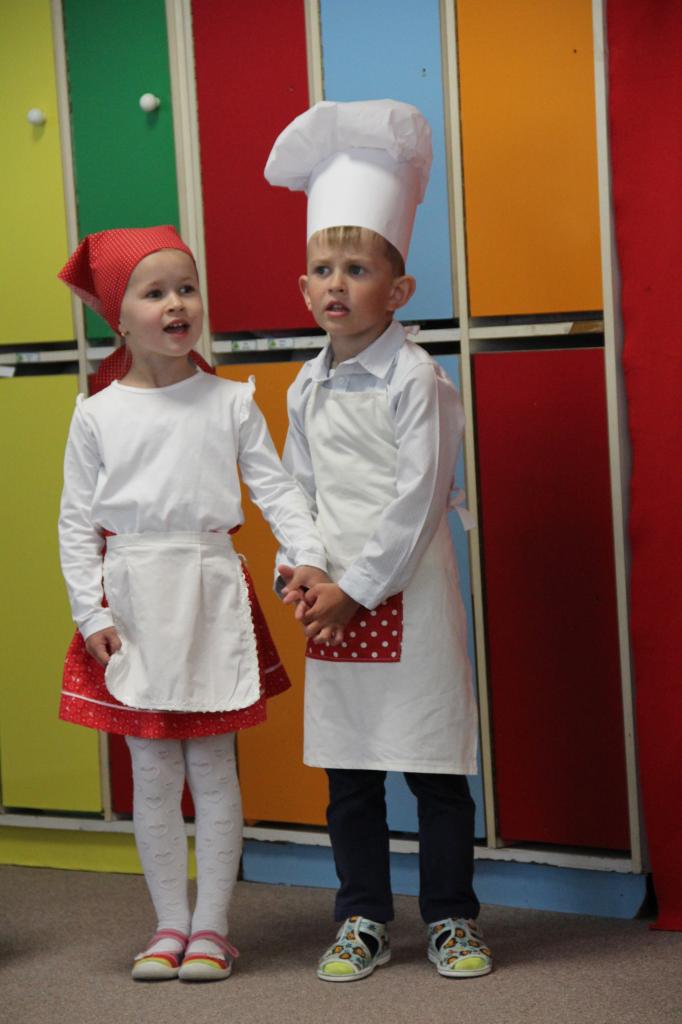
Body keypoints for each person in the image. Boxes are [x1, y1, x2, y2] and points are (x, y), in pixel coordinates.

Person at [57, 226, 328, 982]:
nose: (177, 304)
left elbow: (277, 490)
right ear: (119, 317)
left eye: (187, 287)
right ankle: (167, 925)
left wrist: (306, 552)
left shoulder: (230, 401)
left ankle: (212, 927)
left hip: (208, 596)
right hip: (132, 606)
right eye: (155, 292)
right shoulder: (96, 414)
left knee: (211, 769)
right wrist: (91, 615)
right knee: (151, 774)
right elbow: (76, 524)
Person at [265, 100, 492, 980]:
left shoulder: (418, 381)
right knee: (350, 775)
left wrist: (355, 588)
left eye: (356, 269)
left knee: (433, 771)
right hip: (334, 603)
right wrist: (304, 569)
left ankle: (451, 917)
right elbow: (298, 491)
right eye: (322, 269)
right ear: (304, 288)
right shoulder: (304, 387)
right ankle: (361, 915)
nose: (336, 285)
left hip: (406, 597)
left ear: (397, 292)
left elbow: (416, 500)